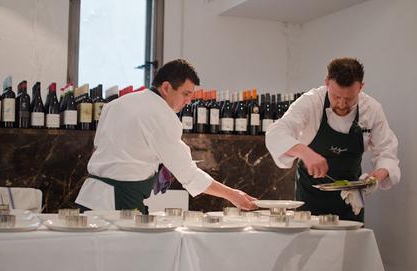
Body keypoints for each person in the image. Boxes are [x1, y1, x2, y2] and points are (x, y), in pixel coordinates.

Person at [76, 59, 257, 214]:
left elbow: (102, 148)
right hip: (119, 203)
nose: (188, 101)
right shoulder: (161, 115)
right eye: (185, 94)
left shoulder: (116, 104)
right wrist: (233, 194)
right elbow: (188, 174)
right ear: (166, 87)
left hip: (90, 198)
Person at [265, 57, 400, 221]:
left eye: (350, 98)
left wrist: (373, 180)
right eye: (336, 97)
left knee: (350, 246)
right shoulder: (311, 102)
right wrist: (305, 152)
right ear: (327, 83)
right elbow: (276, 132)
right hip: (309, 198)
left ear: (361, 87)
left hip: (350, 201)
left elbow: (387, 152)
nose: (342, 104)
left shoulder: (372, 109)